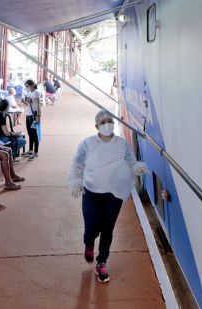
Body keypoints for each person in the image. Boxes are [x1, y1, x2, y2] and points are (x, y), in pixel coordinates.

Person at [66, 110, 147, 283]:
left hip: (114, 193)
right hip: (92, 193)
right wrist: (75, 181)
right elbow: (77, 164)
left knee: (107, 228)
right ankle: (89, 243)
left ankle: (101, 262)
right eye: (103, 122)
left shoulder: (121, 144)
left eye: (109, 121)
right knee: (91, 229)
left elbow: (130, 160)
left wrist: (137, 167)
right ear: (96, 126)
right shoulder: (87, 144)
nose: (107, 124)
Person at [23, 80, 41, 159]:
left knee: (34, 134)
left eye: (27, 86)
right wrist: (24, 102)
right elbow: (29, 104)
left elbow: (37, 105)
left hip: (33, 115)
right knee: (30, 133)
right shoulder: (30, 93)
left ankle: (36, 152)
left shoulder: (36, 93)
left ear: (32, 85)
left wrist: (38, 116)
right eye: (26, 86)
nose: (26, 88)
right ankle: (30, 150)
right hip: (28, 114)